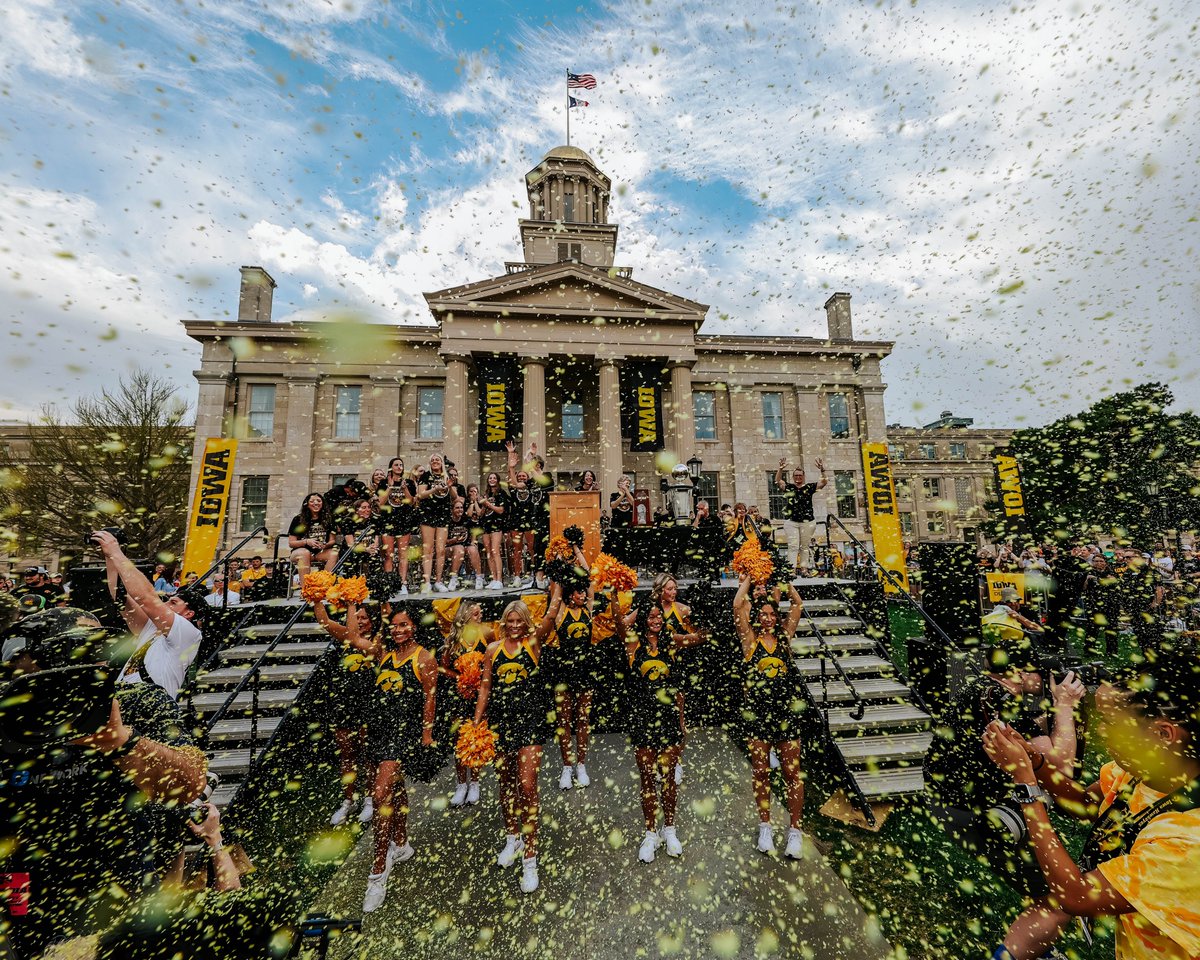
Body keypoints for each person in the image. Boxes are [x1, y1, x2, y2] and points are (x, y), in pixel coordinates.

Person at [0, 608, 208, 956]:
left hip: (127, 899)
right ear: (25, 664)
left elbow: (189, 784)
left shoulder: (139, 702)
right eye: (66, 655)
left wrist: (120, 741)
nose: (84, 665)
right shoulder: (10, 716)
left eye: (96, 652)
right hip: (29, 905)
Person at [983, 638, 1200, 960]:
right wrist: (1037, 764)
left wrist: (1026, 786)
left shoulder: (1188, 840)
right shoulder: (1149, 773)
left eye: (1111, 723)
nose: (1101, 734)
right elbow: (1085, 804)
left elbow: (1077, 896)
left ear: (1163, 734)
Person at [923, 624, 1085, 902]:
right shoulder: (1003, 701)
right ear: (1020, 673)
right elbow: (1062, 769)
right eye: (1040, 674)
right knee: (1052, 892)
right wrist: (1065, 707)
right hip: (967, 810)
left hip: (943, 795)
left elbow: (1030, 740)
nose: (1045, 680)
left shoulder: (983, 691)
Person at [346, 601, 437, 913]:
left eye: (404, 625)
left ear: (415, 626)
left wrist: (426, 735)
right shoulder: (382, 652)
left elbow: (429, 698)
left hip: (403, 735)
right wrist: (348, 604)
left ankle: (378, 870)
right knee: (394, 793)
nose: (399, 631)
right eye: (394, 625)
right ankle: (402, 844)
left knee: (380, 795)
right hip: (379, 731)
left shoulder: (423, 657)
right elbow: (350, 634)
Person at [474, 600, 557, 894]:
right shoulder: (492, 649)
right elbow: (485, 685)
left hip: (530, 720)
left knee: (527, 784)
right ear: (504, 622)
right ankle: (513, 838)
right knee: (506, 784)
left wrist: (557, 583)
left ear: (525, 622)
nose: (514, 626)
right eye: (510, 621)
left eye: (519, 621)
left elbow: (550, 617)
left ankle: (531, 858)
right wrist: (476, 721)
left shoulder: (533, 645)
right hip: (501, 722)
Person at [623, 602, 707, 863]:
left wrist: (699, 609)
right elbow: (620, 623)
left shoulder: (671, 642)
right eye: (651, 616)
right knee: (647, 778)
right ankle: (650, 833)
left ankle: (669, 828)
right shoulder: (633, 644)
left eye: (660, 616)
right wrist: (642, 603)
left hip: (668, 718)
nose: (656, 620)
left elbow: (701, 637)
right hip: (643, 720)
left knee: (668, 777)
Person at [732, 573, 809, 858]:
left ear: (776, 617)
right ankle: (765, 826)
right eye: (762, 614)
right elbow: (738, 603)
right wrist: (751, 578)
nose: (766, 618)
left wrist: (783, 579)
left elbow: (798, 605)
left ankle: (795, 831)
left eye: (770, 614)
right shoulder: (749, 641)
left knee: (791, 773)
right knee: (761, 772)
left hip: (786, 715)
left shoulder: (785, 637)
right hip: (759, 716)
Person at [92, 529, 204, 700]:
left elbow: (147, 598)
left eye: (173, 602)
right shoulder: (152, 628)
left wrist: (116, 550)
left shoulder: (188, 632)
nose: (166, 604)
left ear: (189, 613)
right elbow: (118, 596)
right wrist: (109, 556)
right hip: (126, 700)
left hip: (153, 705)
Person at [312, 599, 382, 827]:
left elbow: (354, 638)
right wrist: (315, 598)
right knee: (347, 754)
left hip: (368, 701)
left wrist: (352, 603)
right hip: (344, 701)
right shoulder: (345, 635)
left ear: (374, 622)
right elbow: (324, 621)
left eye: (364, 618)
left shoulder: (379, 641)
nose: (359, 621)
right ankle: (348, 800)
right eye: (357, 617)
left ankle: (370, 799)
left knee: (369, 754)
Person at [544, 557, 597, 791]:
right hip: (563, 670)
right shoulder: (561, 611)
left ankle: (581, 765)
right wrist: (558, 573)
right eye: (579, 592)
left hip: (584, 670)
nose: (583, 595)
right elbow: (556, 593)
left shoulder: (588, 609)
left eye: (584, 592)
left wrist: (577, 548)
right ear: (569, 594)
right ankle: (567, 766)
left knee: (583, 720)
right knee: (564, 721)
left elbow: (590, 577)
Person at [440, 601, 495, 807]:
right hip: (459, 695)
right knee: (459, 739)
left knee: (476, 736)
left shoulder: (487, 633)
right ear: (464, 616)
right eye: (475, 614)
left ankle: (475, 782)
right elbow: (443, 667)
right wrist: (460, 678)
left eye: (480, 613)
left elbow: (493, 661)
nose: (479, 617)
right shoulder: (453, 639)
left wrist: (480, 678)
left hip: (479, 695)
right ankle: (461, 783)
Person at [652, 574, 702, 787]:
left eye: (675, 588)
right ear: (660, 590)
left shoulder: (683, 610)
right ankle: (657, 763)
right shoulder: (651, 611)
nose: (673, 592)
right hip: (655, 670)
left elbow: (697, 636)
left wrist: (683, 642)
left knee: (678, 719)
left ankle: (676, 762)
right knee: (655, 718)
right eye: (669, 589)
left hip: (676, 669)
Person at [773, 458, 827, 576]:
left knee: (804, 546)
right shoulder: (789, 487)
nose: (798, 477)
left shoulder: (809, 487)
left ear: (804, 476)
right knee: (793, 545)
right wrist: (781, 469)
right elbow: (778, 481)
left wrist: (822, 469)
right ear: (793, 477)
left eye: (800, 475)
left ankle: (804, 570)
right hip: (792, 521)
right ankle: (791, 570)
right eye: (796, 475)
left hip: (807, 521)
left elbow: (823, 482)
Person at [415, 453, 455, 594]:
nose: (435, 462)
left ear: (441, 463)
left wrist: (450, 486)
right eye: (432, 460)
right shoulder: (425, 476)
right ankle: (426, 582)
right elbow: (420, 495)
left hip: (443, 514)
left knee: (441, 549)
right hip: (428, 513)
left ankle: (438, 580)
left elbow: (455, 497)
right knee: (428, 548)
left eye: (437, 460)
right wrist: (435, 489)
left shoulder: (446, 476)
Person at [378, 458, 417, 596]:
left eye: (401, 465)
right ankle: (389, 583)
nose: (399, 467)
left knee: (403, 554)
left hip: (404, 521)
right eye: (396, 465)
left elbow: (411, 502)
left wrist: (405, 488)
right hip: (388, 521)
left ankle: (402, 583)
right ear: (391, 467)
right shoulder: (383, 482)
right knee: (388, 554)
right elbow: (381, 503)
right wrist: (389, 487)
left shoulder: (409, 482)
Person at [288, 492, 338, 581]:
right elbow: (291, 543)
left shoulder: (329, 519)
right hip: (301, 552)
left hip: (320, 552)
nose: (316, 503)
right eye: (312, 501)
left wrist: (325, 545)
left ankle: (323, 584)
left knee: (334, 553)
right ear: (307, 504)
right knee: (304, 553)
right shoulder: (298, 519)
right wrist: (306, 541)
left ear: (322, 504)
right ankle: (306, 590)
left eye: (319, 501)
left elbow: (332, 540)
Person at [445, 499, 483, 593]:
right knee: (459, 548)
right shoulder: (447, 521)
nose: (460, 510)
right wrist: (453, 540)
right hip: (448, 548)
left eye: (461, 508)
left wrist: (473, 540)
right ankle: (454, 578)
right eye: (457, 508)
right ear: (452, 510)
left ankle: (479, 578)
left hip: (464, 547)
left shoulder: (466, 519)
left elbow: (474, 530)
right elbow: (443, 541)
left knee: (473, 549)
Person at [462, 484, 488, 591]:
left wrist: (476, 501)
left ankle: (483, 575)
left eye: (475, 491)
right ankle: (468, 575)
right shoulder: (465, 503)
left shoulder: (481, 502)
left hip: (480, 531)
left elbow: (479, 513)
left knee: (483, 551)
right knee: (471, 551)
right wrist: (472, 503)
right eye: (471, 491)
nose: (473, 493)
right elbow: (468, 514)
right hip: (468, 530)